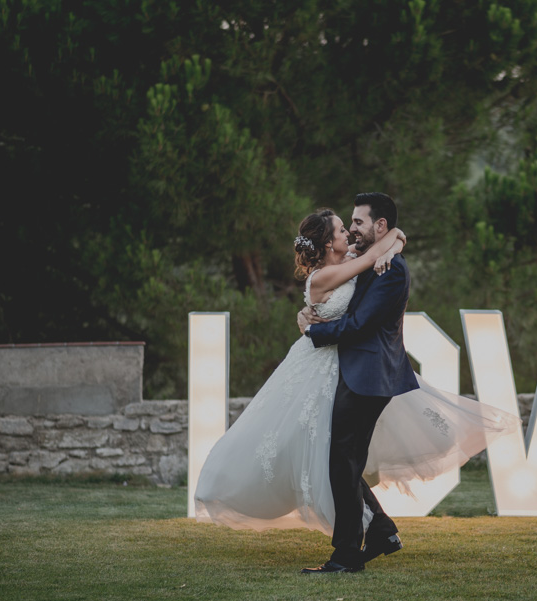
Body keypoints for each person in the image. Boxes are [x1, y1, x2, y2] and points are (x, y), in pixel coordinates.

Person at [194, 197, 519, 574]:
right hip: (330, 370)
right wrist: (393, 239)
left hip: (360, 372)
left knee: (340, 459)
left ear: (377, 225)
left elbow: (361, 323)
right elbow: (364, 267)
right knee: (337, 458)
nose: (350, 230)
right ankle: (379, 530)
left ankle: (350, 552)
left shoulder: (382, 267)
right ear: (329, 242)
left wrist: (393, 242)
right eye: (343, 227)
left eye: (356, 223)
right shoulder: (347, 266)